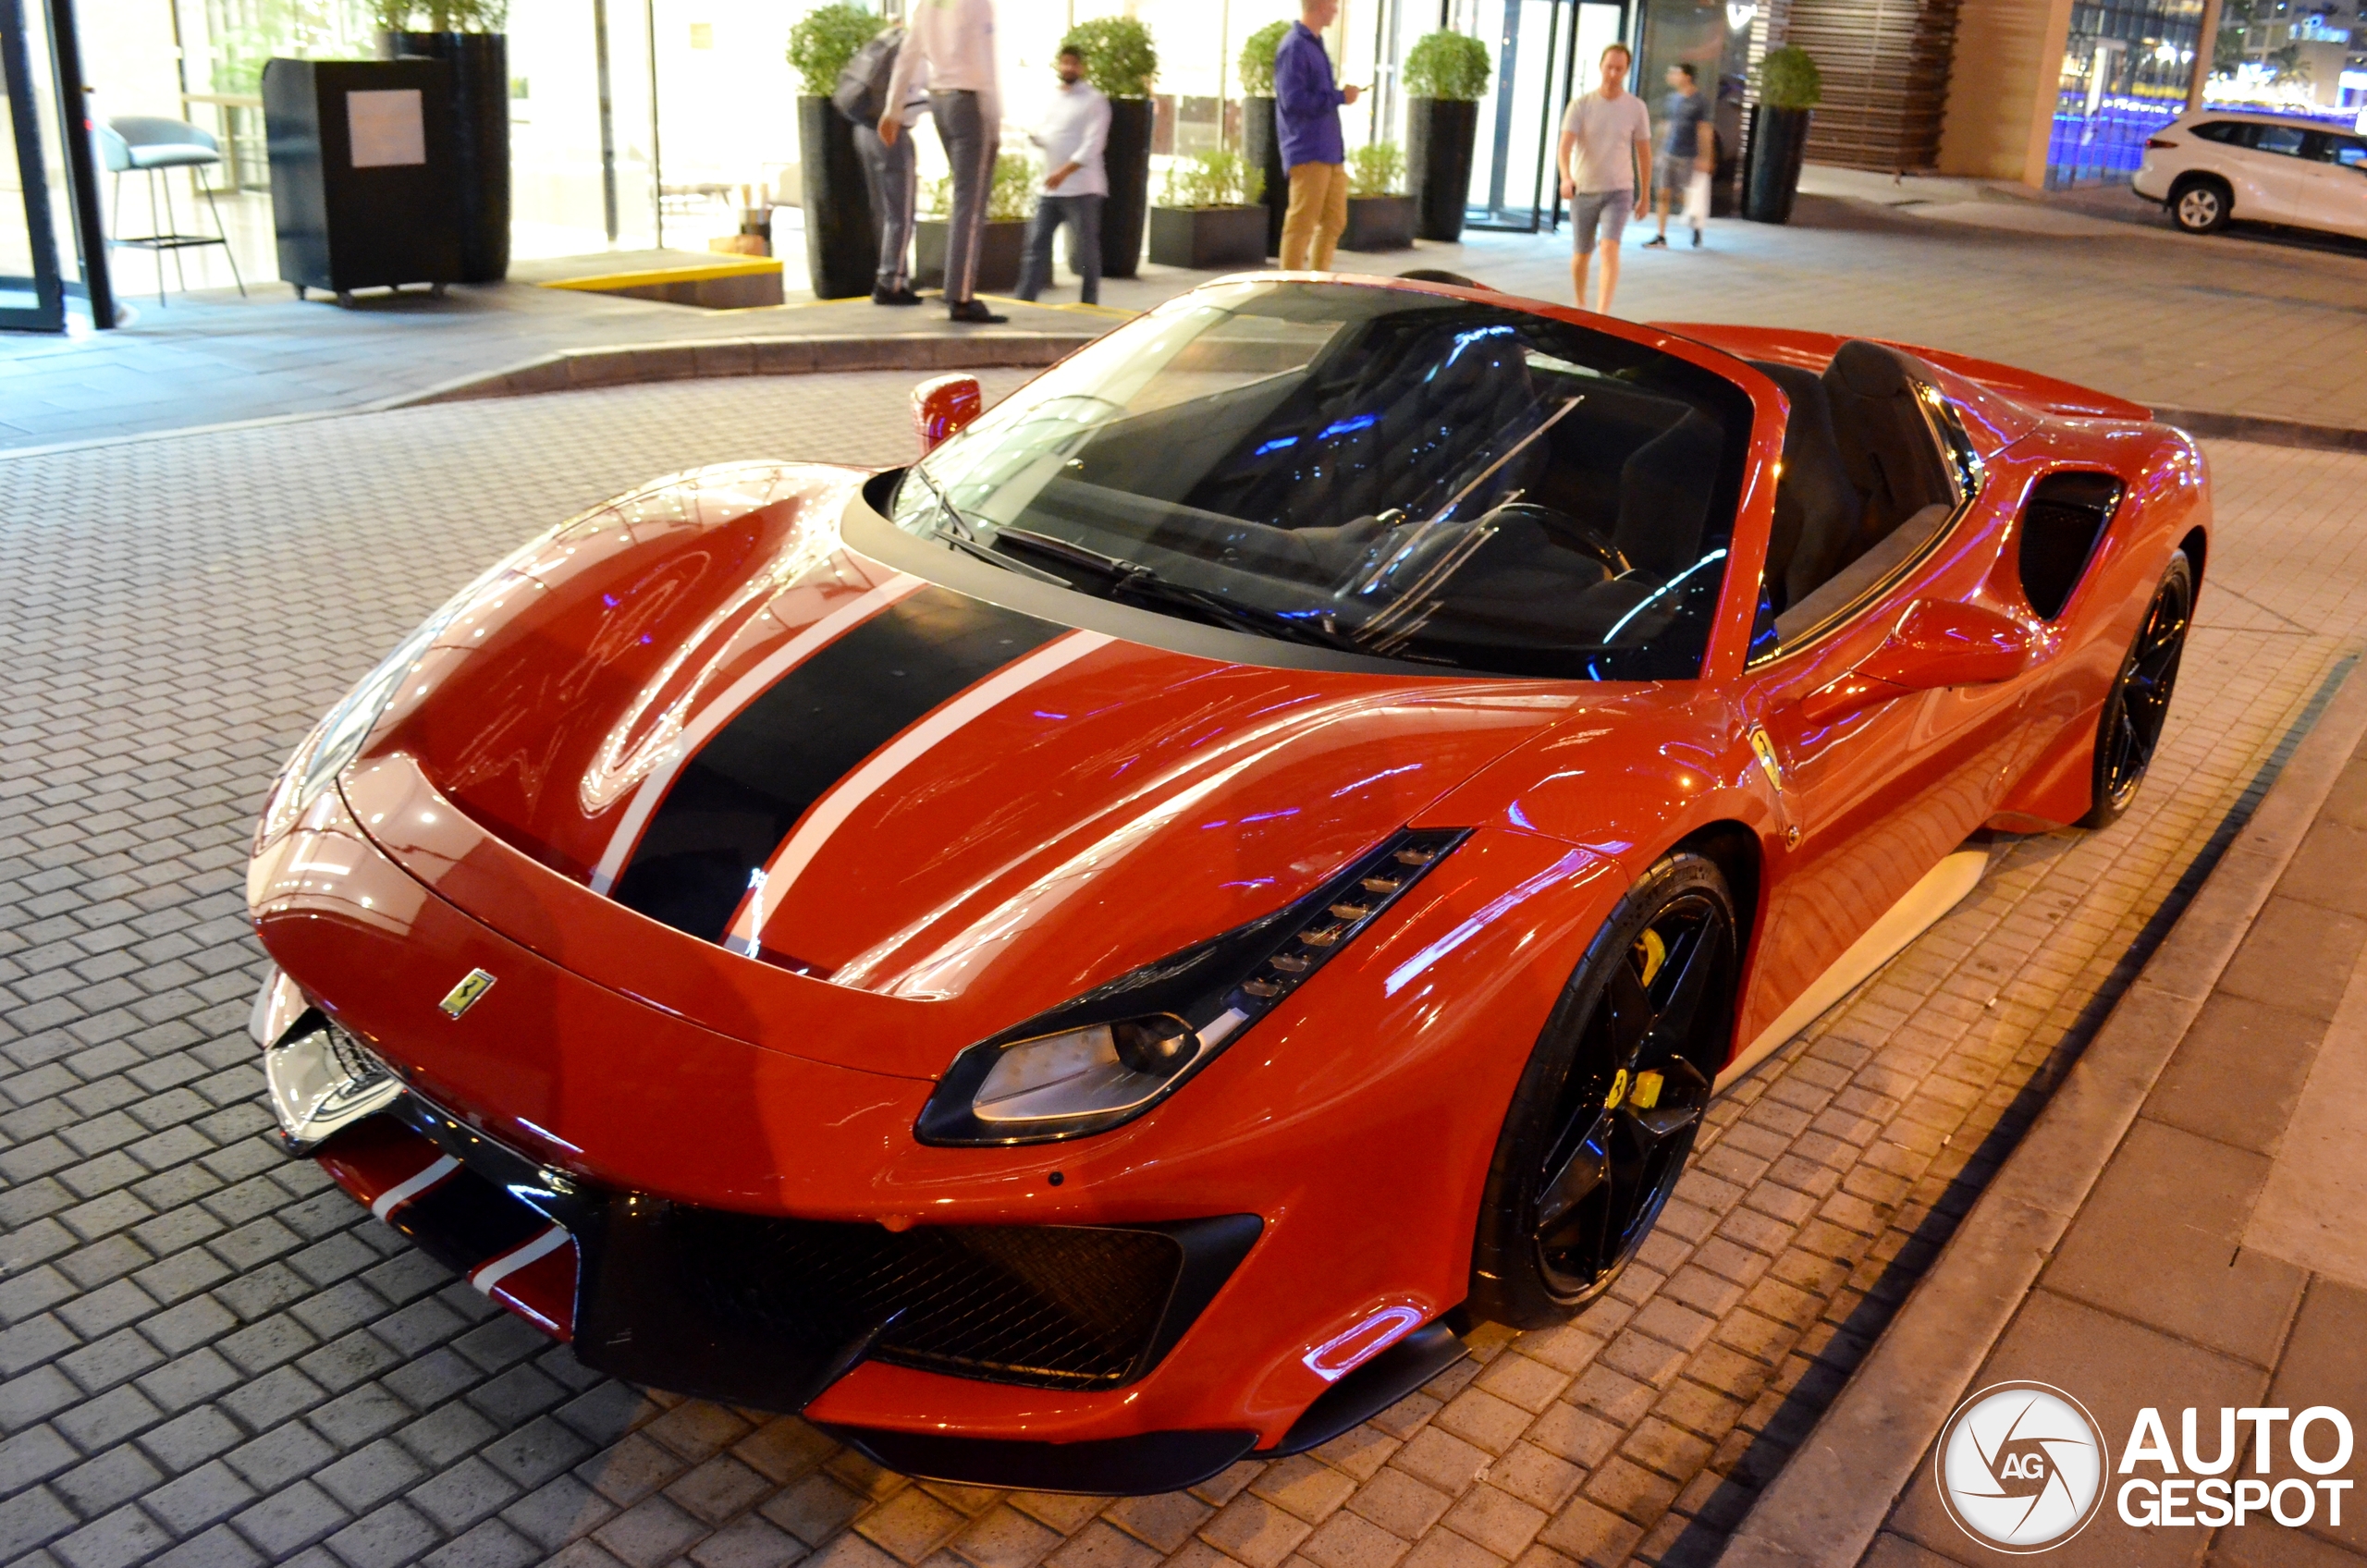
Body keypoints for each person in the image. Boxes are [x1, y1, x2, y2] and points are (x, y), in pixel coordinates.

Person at [882, 0, 1006, 323]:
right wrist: (995, 117)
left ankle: (957, 290)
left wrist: (893, 108)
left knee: (964, 199)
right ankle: (962, 296)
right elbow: (986, 62)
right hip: (970, 98)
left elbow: (908, 54)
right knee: (972, 202)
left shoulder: (929, 4)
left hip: (940, 99)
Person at [1557, 43, 1652, 315]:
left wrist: (1645, 196)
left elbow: (1644, 153)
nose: (1613, 73)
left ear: (1626, 71)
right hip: (1584, 188)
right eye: (1609, 67)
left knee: (1609, 246)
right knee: (1581, 254)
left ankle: (1602, 312)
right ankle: (1580, 302)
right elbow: (1564, 147)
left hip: (1619, 189)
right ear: (1601, 66)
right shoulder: (1582, 105)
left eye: (1619, 69)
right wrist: (1566, 177)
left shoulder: (1635, 108)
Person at [1016, 46, 1110, 305]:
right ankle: (1025, 299)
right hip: (1050, 189)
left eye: (1074, 63)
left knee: (1085, 250)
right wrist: (1034, 137)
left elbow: (1094, 144)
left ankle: (1088, 302)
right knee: (1035, 246)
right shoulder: (1052, 98)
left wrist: (1064, 171)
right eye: (1064, 63)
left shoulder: (1094, 100)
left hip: (1083, 189)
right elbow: (1049, 135)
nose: (1068, 68)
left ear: (1082, 67)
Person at [1274, 0, 1360, 272]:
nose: (1336, 10)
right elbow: (1293, 100)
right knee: (1302, 224)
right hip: (1308, 148)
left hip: (1328, 149)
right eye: (1333, 5)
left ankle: (1319, 281)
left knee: (1334, 220)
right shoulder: (1295, 47)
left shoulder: (1314, 44)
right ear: (1320, 5)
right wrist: (1338, 97)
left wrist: (1337, 98)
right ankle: (1290, 289)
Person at [855, 34, 927, 305]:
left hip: (864, 128)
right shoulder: (916, 59)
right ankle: (891, 282)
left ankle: (895, 277)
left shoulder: (892, 46)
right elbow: (909, 101)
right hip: (892, 134)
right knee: (902, 213)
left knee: (885, 211)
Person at [1644, 61, 1711, 249]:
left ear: (1687, 77)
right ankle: (1661, 235)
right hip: (1669, 153)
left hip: (1688, 155)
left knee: (1684, 196)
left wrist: (1705, 157)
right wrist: (1657, 150)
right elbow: (1666, 125)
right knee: (1663, 193)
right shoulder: (1672, 99)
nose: (1671, 76)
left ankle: (1695, 225)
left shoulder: (1699, 101)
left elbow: (1704, 130)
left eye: (1675, 73)